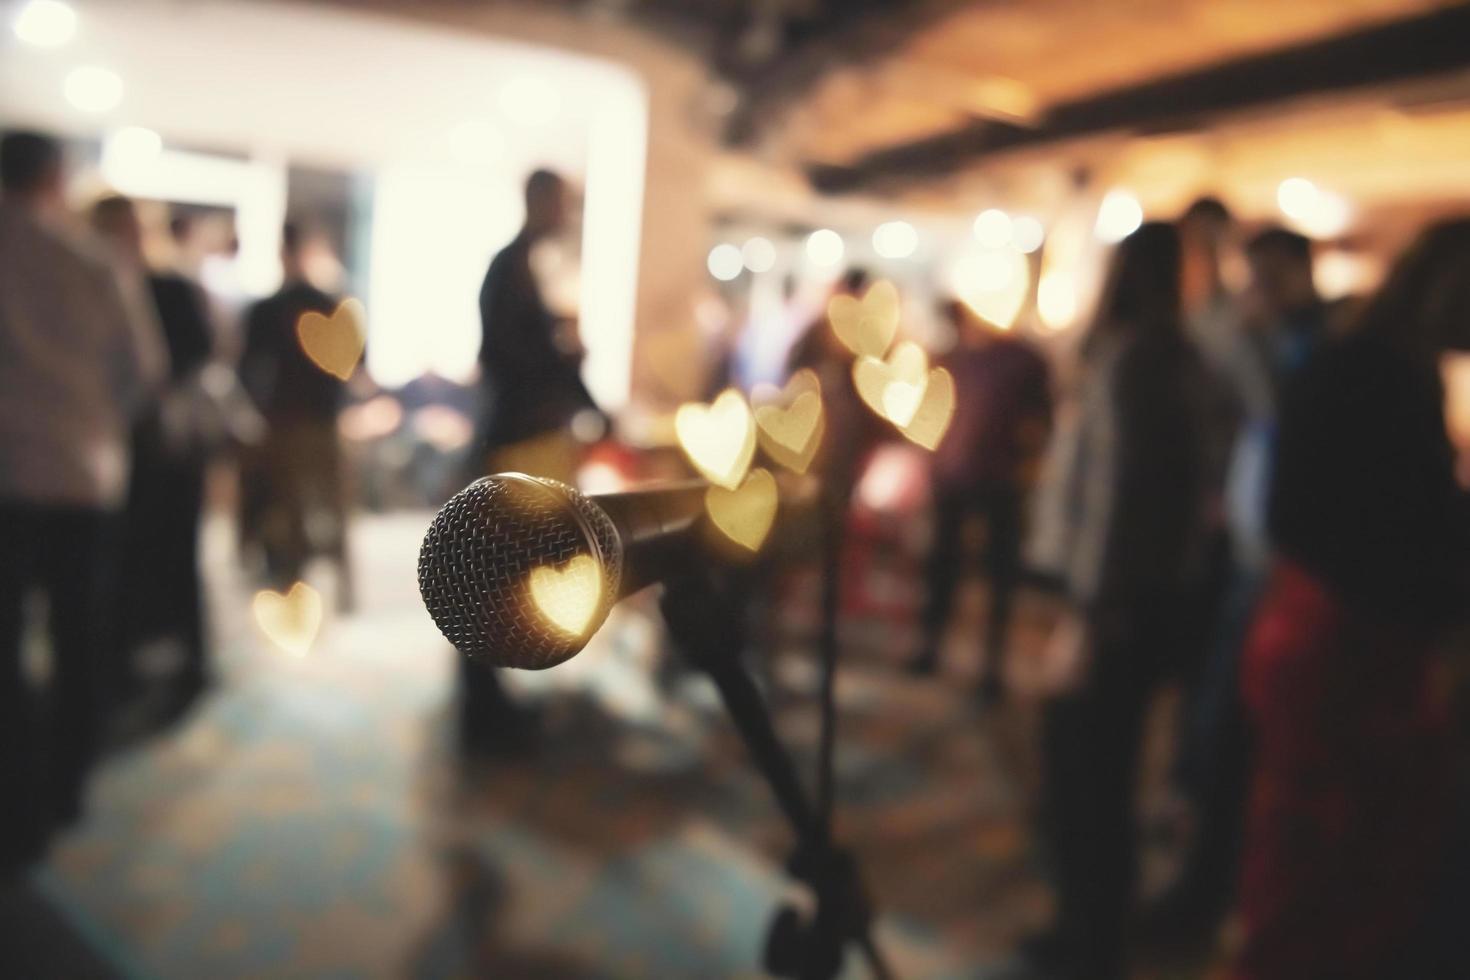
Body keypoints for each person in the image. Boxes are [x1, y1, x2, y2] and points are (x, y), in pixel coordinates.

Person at [1233, 219, 1470, 980]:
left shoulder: (1374, 364)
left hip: (1329, 636)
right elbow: (1311, 516)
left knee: (1327, 851)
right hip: (1342, 647)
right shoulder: (1371, 372)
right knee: (1330, 854)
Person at [1021, 222, 1215, 979]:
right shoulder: (1172, 358)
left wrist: (1092, 612)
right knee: (1102, 769)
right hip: (1141, 597)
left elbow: (1118, 495)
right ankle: (1090, 925)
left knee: (1086, 774)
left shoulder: (1138, 360)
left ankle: (1086, 936)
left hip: (1114, 603)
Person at [0, 131, 166, 870]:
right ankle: (66, 785)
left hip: (7, 475)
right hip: (81, 471)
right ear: (54, 177)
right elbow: (144, 371)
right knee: (78, 632)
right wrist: (99, 423)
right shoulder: (92, 262)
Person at [461, 169, 597, 755]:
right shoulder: (509, 269)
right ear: (539, 201)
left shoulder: (523, 267)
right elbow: (506, 358)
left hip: (523, 434)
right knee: (500, 573)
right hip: (514, 438)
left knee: (510, 572)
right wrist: (564, 358)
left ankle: (489, 701)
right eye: (562, 203)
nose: (567, 214)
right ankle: (484, 707)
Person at [91, 196, 215, 702]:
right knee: (118, 556)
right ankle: (121, 658)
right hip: (111, 444)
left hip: (167, 444)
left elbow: (196, 356)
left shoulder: (169, 288)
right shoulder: (88, 287)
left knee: (176, 550)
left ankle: (187, 657)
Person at [907, 299, 1051, 703]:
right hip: (954, 478)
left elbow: (1040, 421)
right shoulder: (952, 358)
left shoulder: (1024, 361)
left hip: (1000, 481)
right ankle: (931, 647)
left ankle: (991, 666)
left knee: (998, 576)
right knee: (942, 567)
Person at [238, 221, 355, 609]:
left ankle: (296, 583)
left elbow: (248, 368)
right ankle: (339, 590)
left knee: (292, 509)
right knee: (329, 506)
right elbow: (351, 364)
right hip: (317, 417)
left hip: (286, 418)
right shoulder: (328, 303)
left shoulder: (270, 308)